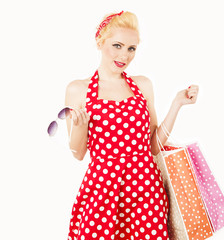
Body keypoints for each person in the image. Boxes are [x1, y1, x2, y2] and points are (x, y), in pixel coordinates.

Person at [64, 10, 199, 240]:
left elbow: (153, 147)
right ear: (100, 42)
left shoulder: (143, 85)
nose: (124, 55)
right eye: (117, 45)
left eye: (131, 48)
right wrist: (80, 126)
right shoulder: (78, 90)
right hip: (103, 189)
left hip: (146, 188)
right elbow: (78, 154)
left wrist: (177, 104)